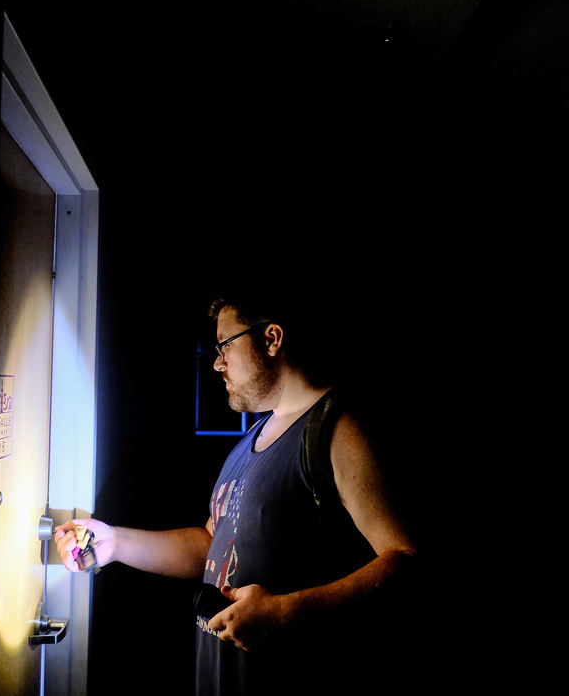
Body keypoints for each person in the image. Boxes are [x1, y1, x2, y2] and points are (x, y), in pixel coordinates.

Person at [55, 286, 420, 695]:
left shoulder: (337, 431)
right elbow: (211, 545)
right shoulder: (250, 442)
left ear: (271, 339)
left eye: (225, 345)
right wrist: (115, 543)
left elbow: (408, 560)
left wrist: (286, 613)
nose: (217, 363)